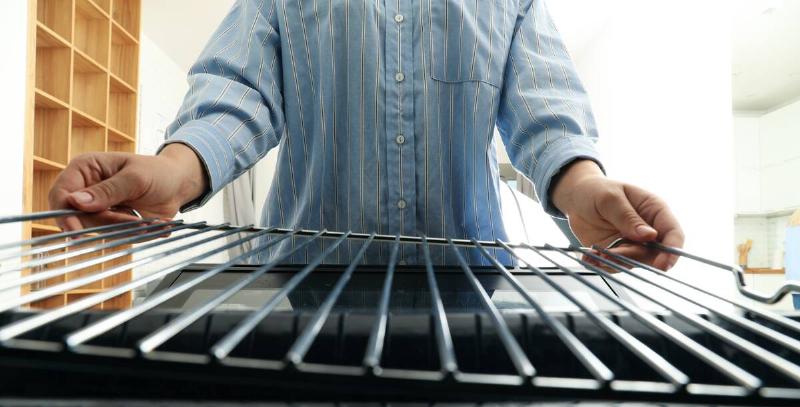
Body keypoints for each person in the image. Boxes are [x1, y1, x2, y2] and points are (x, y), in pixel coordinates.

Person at [49, 0, 683, 269]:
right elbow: (237, 95)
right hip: (301, 298)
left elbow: (543, 111)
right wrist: (172, 174)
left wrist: (585, 189)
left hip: (473, 300)